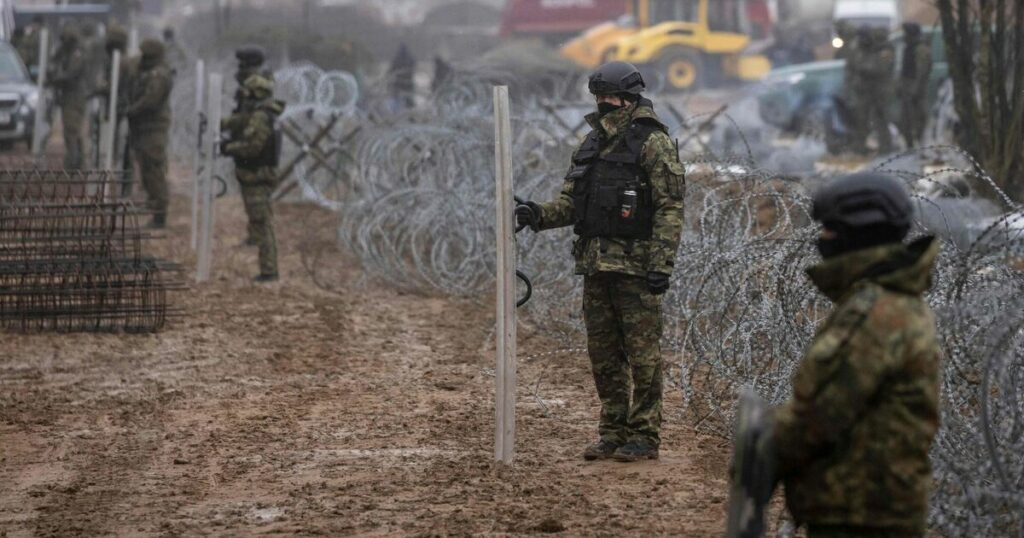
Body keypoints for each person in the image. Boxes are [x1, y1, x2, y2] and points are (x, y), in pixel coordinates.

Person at [515, 61, 685, 462]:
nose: (604, 104)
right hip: (596, 266)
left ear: (629, 98)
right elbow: (574, 204)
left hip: (637, 269)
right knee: (604, 357)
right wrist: (539, 215)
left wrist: (661, 264)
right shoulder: (591, 143)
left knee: (643, 357)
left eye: (610, 97)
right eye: (599, 98)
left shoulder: (652, 142)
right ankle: (612, 430)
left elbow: (670, 207)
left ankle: (644, 435)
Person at [772, 173, 941, 538]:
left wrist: (762, 446)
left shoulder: (876, 314)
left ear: (856, 234)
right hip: (868, 506)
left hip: (863, 515)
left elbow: (819, 417)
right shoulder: (889, 300)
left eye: (830, 230)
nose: (823, 240)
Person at [221, 75, 284, 282]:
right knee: (259, 221)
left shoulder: (261, 117)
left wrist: (228, 148)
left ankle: (269, 270)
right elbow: (239, 122)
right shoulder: (264, 114)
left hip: (258, 175)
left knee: (262, 222)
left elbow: (252, 147)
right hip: (257, 174)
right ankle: (267, 268)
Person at [124, 39, 174, 228]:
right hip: (143, 128)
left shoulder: (159, 75)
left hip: (153, 129)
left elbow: (150, 101)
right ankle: (155, 207)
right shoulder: (146, 71)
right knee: (146, 169)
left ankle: (160, 214)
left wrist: (131, 110)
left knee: (154, 171)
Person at [845, 26, 895, 155]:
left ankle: (886, 148)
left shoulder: (882, 49)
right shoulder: (857, 49)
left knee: (881, 120)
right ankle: (860, 148)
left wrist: (863, 68)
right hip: (863, 91)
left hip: (879, 90)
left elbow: (881, 69)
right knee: (861, 120)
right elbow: (850, 68)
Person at [48, 24, 87, 170]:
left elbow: (72, 74)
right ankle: (75, 162)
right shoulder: (64, 50)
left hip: (75, 96)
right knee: (70, 131)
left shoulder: (77, 52)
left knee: (72, 130)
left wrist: (56, 78)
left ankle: (74, 164)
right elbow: (53, 62)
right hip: (66, 95)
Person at [897, 23, 932, 149]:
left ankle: (920, 142)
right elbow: (904, 69)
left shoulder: (920, 48)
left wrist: (915, 89)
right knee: (906, 118)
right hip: (908, 87)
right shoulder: (909, 47)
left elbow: (921, 71)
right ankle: (910, 144)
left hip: (917, 89)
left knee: (919, 117)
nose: (905, 36)